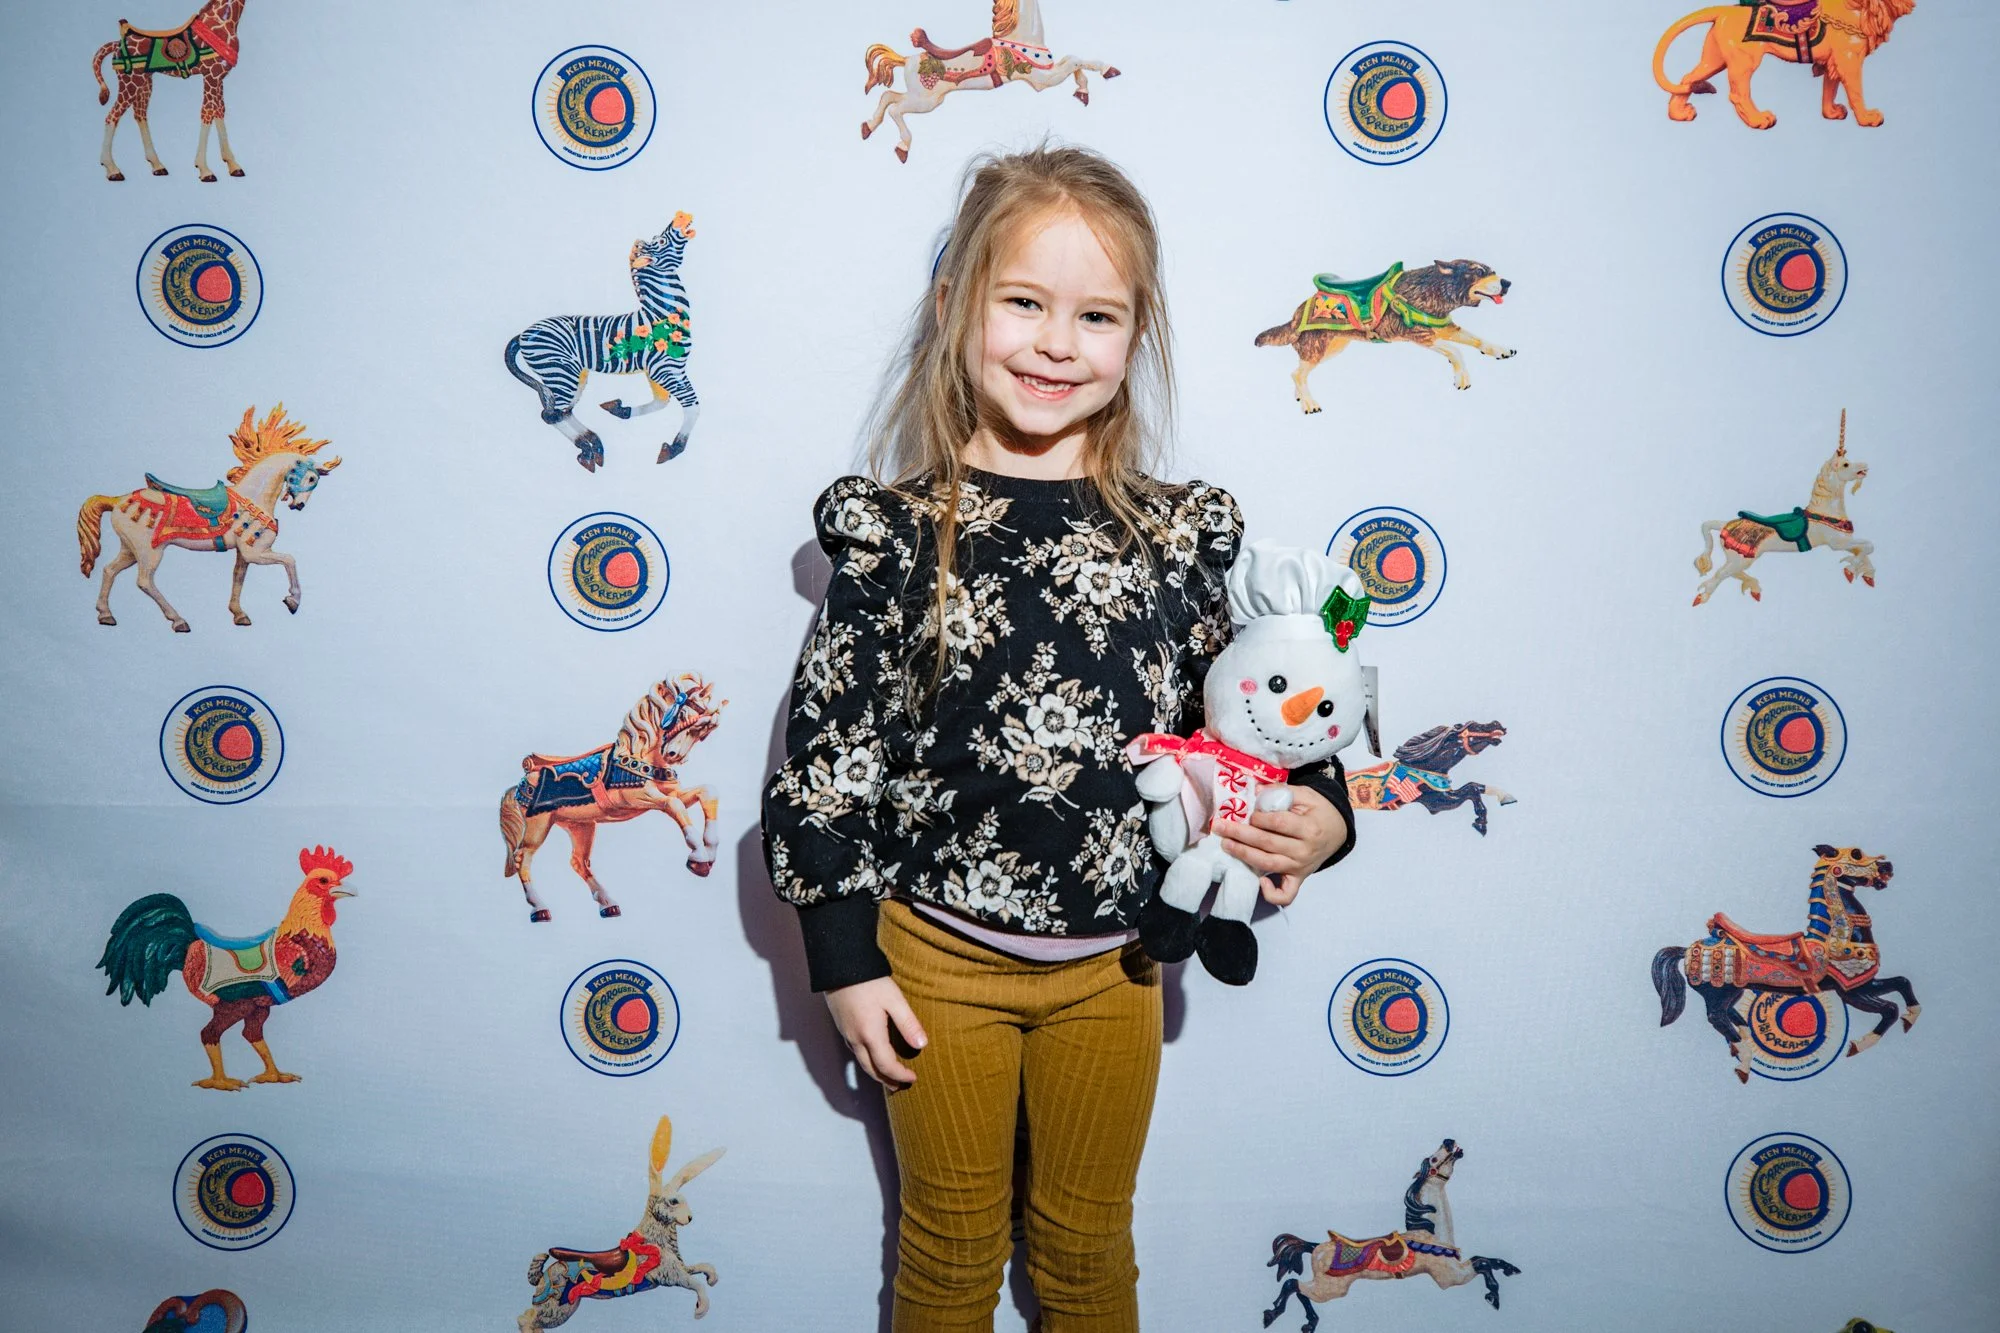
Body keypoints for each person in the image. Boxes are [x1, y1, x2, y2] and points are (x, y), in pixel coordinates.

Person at [760, 144, 1357, 1333]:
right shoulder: (895, 532)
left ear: (1133, 336)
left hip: (1115, 970)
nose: (1052, 342)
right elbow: (828, 759)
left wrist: (1325, 817)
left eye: (1094, 314)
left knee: (1087, 1253)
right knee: (947, 1250)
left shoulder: (1177, 534)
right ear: (955, 308)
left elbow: (1268, 696)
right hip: (932, 965)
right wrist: (842, 955)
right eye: (1021, 302)